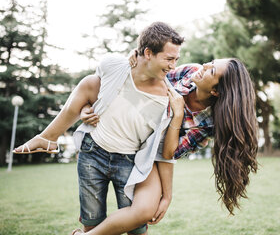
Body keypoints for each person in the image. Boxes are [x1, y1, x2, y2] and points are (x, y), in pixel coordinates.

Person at [15, 21, 184, 235]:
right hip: (93, 153)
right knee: (92, 222)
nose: (173, 66)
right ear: (148, 53)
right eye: (169, 59)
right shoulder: (115, 65)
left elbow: (164, 153)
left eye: (176, 60)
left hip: (130, 162)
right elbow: (94, 86)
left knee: (137, 229)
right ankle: (48, 137)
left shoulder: (167, 98)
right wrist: (86, 107)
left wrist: (166, 194)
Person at [71, 57, 258, 235]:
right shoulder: (188, 72)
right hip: (125, 135)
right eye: (211, 62)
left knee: (144, 212)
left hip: (150, 154)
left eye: (212, 70)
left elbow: (169, 153)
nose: (205, 66)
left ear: (216, 91)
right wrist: (88, 107)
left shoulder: (209, 124)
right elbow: (139, 81)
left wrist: (177, 115)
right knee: (96, 216)